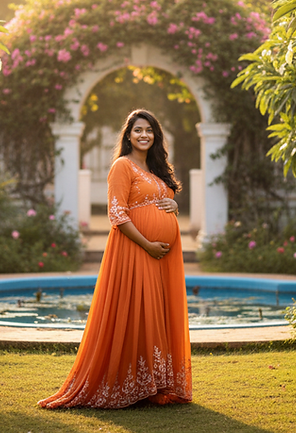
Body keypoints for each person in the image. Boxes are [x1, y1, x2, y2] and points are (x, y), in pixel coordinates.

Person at [39, 109, 192, 409]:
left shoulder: (156, 168)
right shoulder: (122, 166)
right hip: (136, 250)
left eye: (149, 130)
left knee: (155, 314)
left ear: (156, 135)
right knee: (135, 312)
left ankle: (153, 383)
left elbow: (161, 199)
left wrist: (172, 206)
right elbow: (117, 214)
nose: (144, 135)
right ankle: (129, 383)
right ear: (128, 135)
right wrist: (148, 244)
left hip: (162, 257)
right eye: (138, 130)